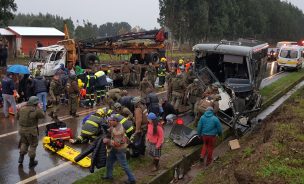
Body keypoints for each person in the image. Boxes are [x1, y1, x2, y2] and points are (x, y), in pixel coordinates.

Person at [103, 114, 136, 184]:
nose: (109, 122)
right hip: (114, 149)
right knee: (109, 162)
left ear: (115, 121)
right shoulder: (117, 125)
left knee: (124, 165)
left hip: (119, 150)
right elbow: (111, 129)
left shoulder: (119, 131)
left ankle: (132, 179)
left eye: (111, 121)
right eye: (109, 120)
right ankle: (109, 176)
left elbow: (117, 144)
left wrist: (108, 141)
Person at [17, 96, 45, 167]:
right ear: (36, 103)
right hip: (31, 131)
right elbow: (43, 116)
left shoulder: (22, 109)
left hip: (21, 130)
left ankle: (21, 157)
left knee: (24, 143)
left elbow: (17, 117)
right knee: (33, 145)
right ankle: (31, 162)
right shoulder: (36, 110)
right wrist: (40, 108)